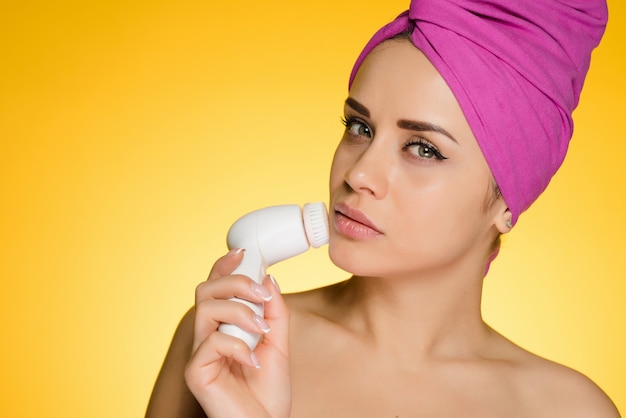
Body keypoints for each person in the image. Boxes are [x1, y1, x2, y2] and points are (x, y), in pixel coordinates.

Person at [146, 0, 620, 417]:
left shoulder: (569, 410)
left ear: (507, 201)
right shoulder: (229, 346)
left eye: (423, 149)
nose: (359, 175)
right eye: (360, 127)